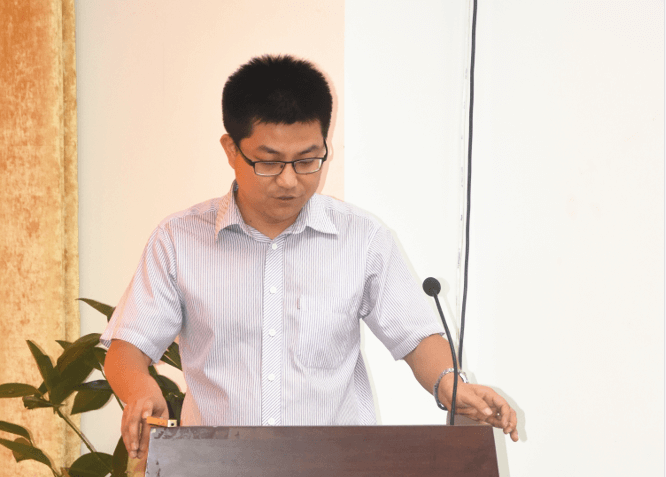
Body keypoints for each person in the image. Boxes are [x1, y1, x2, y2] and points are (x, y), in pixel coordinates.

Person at [102, 54, 519, 461]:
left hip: (337, 465)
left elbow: (416, 336)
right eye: (269, 162)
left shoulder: (362, 238)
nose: (289, 181)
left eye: (307, 161)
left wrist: (449, 382)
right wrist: (141, 390)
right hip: (219, 464)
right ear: (231, 149)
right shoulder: (178, 240)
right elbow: (127, 349)